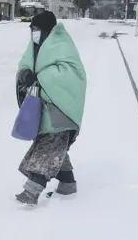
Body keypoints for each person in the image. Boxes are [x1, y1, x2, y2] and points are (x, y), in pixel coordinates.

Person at [15, 11, 87, 207]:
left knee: (48, 148)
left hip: (60, 108)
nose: (33, 32)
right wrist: (24, 75)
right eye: (31, 29)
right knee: (56, 147)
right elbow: (24, 64)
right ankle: (68, 183)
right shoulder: (36, 46)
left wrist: (40, 78)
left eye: (36, 29)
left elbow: (69, 75)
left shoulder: (62, 45)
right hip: (44, 108)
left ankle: (31, 191)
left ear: (47, 30)